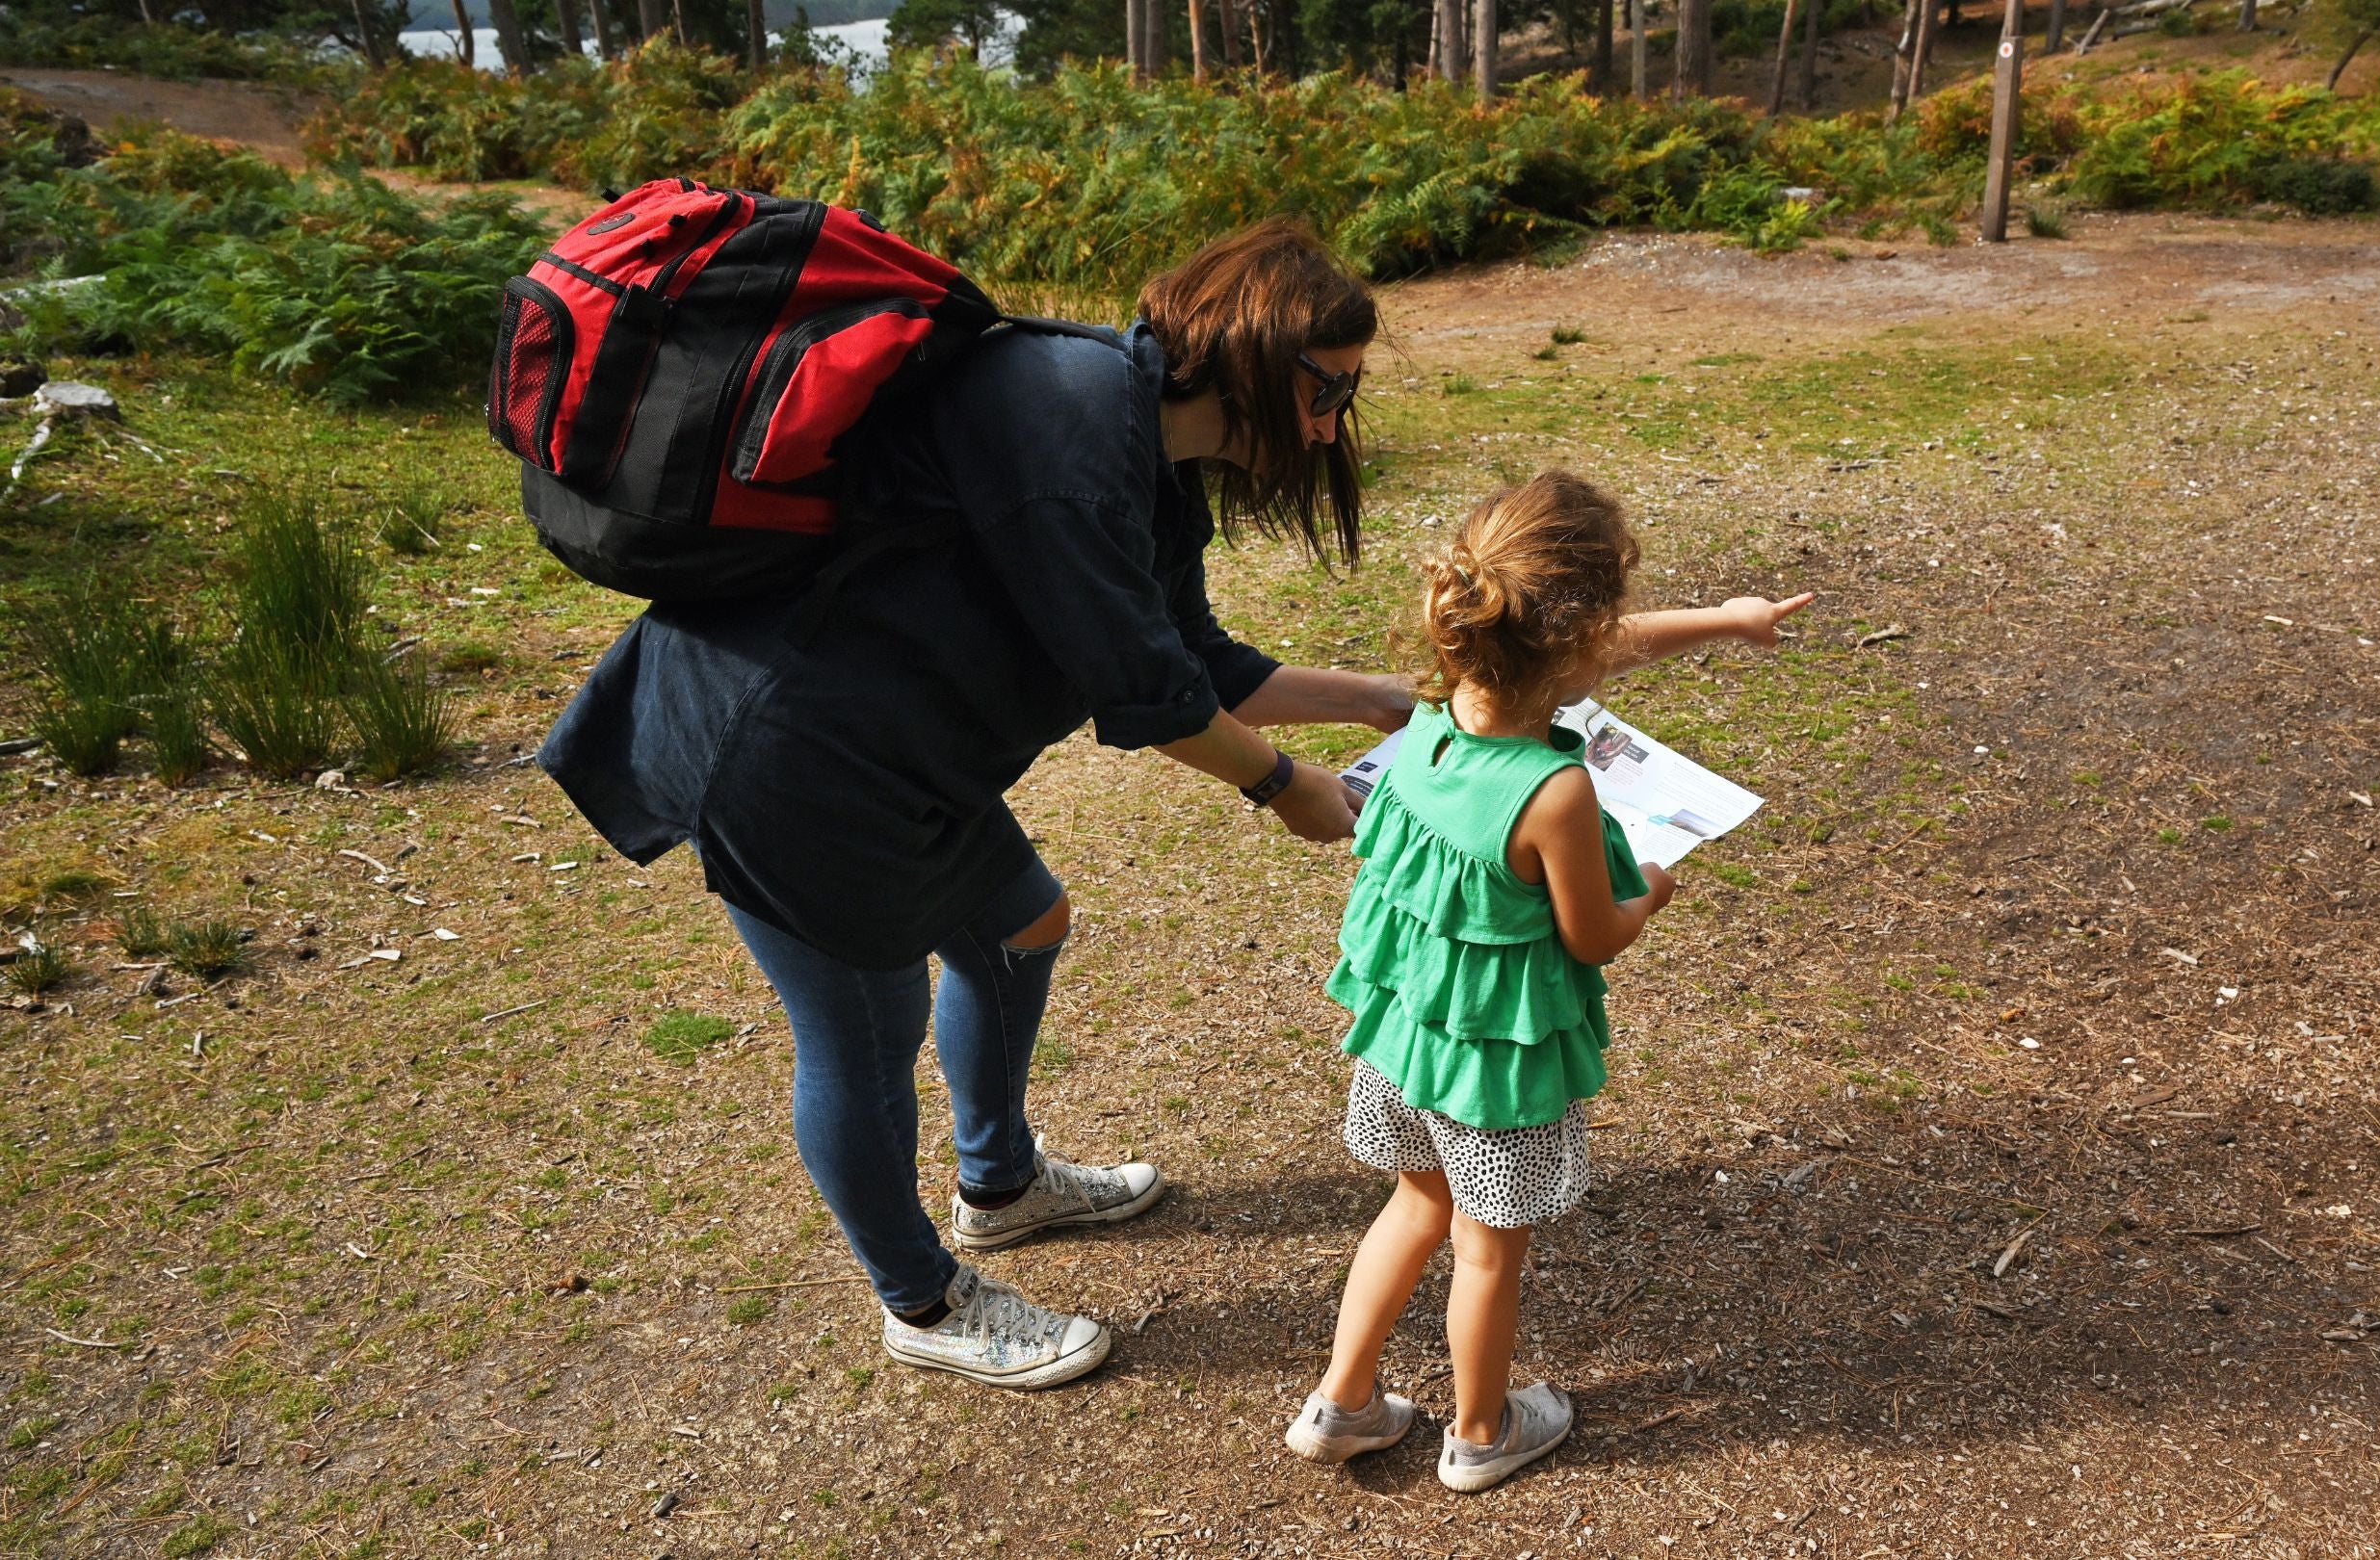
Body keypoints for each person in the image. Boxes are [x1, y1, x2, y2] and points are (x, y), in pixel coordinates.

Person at [541, 221, 1414, 1391]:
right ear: (1258, 354)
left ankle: (998, 1185)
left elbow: (1191, 655)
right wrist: (1280, 785)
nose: (1332, 425)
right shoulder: (1067, 412)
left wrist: (1380, 706)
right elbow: (1143, 692)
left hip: (903, 756)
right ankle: (923, 1300)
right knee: (862, 1034)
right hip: (793, 760)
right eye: (1328, 391)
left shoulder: (1142, 450)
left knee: (1022, 921)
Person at [1283, 471, 1815, 1491]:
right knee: (1488, 1252)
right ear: (1575, 638)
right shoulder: (1558, 791)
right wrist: (1651, 887)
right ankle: (1481, 1434)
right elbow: (1593, 936)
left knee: (1412, 1207)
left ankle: (1343, 1402)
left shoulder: (1429, 720)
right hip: (1493, 1070)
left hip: (1406, 1040)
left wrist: (1725, 621)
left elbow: (1587, 647)